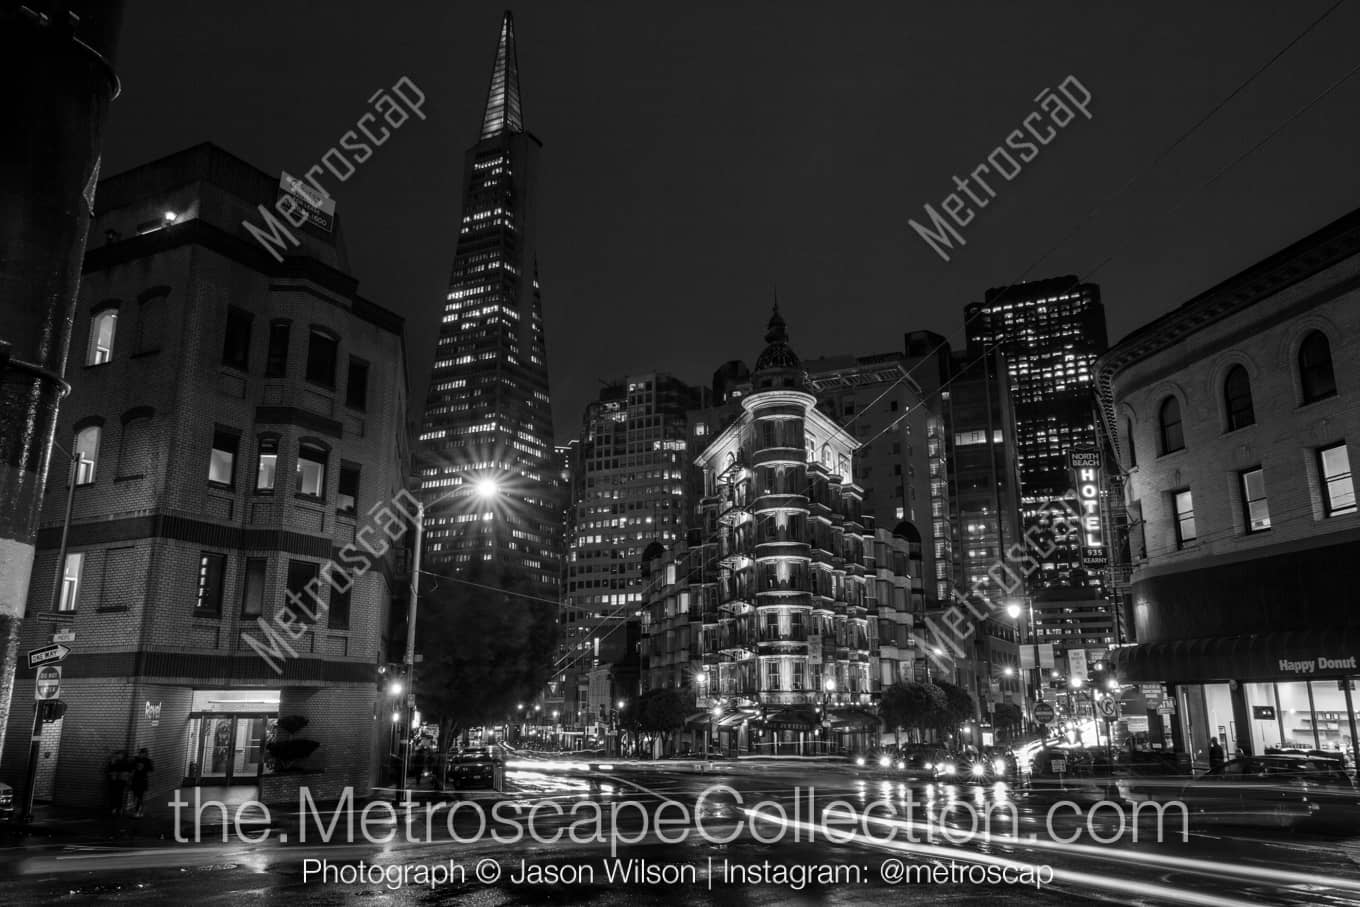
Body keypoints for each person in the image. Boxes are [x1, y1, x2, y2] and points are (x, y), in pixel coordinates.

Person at [129, 747, 154, 817]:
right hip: (136, 780)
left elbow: (151, 769)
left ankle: (139, 811)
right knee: (135, 795)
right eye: (141, 753)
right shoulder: (136, 760)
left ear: (146, 754)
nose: (142, 755)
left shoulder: (148, 761)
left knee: (140, 796)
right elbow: (131, 768)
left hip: (142, 780)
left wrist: (145, 766)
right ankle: (136, 810)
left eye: (143, 753)